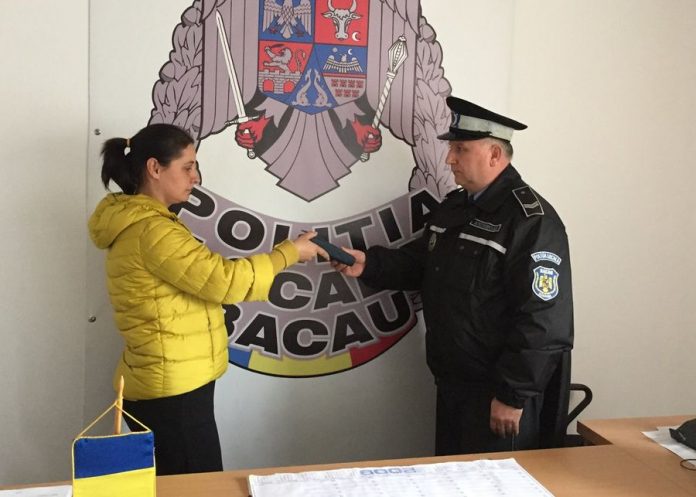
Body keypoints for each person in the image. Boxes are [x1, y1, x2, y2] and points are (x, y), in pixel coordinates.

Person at [334, 97, 574, 455]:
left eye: (460, 149)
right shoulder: (456, 207)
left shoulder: (531, 221)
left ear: (494, 154)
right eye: (452, 148)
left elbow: (544, 322)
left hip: (498, 398)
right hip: (454, 387)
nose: (449, 159)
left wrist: (512, 395)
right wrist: (369, 264)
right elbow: (422, 263)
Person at [87, 123, 327, 475]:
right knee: (197, 484)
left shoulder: (147, 224)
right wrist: (289, 253)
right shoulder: (152, 231)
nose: (196, 177)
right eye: (187, 167)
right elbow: (223, 281)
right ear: (154, 169)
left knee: (181, 481)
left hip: (170, 383)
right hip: (174, 393)